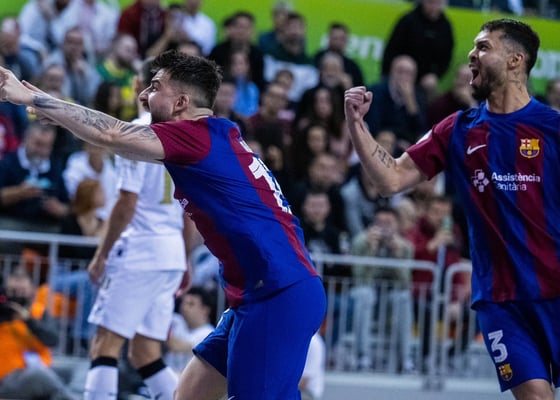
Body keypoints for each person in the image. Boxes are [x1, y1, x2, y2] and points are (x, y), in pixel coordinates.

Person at [0, 49, 326, 400]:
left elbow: (111, 134)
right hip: (258, 293)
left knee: (110, 344)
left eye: (154, 87)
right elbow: (116, 141)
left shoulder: (193, 136)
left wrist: (32, 98)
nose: (143, 94)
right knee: (183, 391)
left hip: (277, 294)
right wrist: (55, 110)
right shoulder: (218, 135)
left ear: (181, 102)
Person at [343, 18, 560, 400]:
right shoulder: (458, 128)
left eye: (483, 47)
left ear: (516, 60)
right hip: (500, 300)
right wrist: (357, 125)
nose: (472, 55)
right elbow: (390, 179)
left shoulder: (552, 128)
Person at [0, 268, 79, 400]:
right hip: (7, 377)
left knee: (68, 373)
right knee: (39, 376)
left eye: (21, 291)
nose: (17, 296)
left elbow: (53, 340)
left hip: (36, 369)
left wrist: (29, 321)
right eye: (13, 292)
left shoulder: (39, 312)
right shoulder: (2, 313)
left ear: (32, 290)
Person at [164, 286, 215, 375]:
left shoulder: (209, 333)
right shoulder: (177, 321)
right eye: (183, 303)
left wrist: (160, 329)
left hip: (187, 381)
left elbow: (175, 346)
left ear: (205, 310)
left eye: (191, 304)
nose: (184, 307)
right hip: (166, 377)